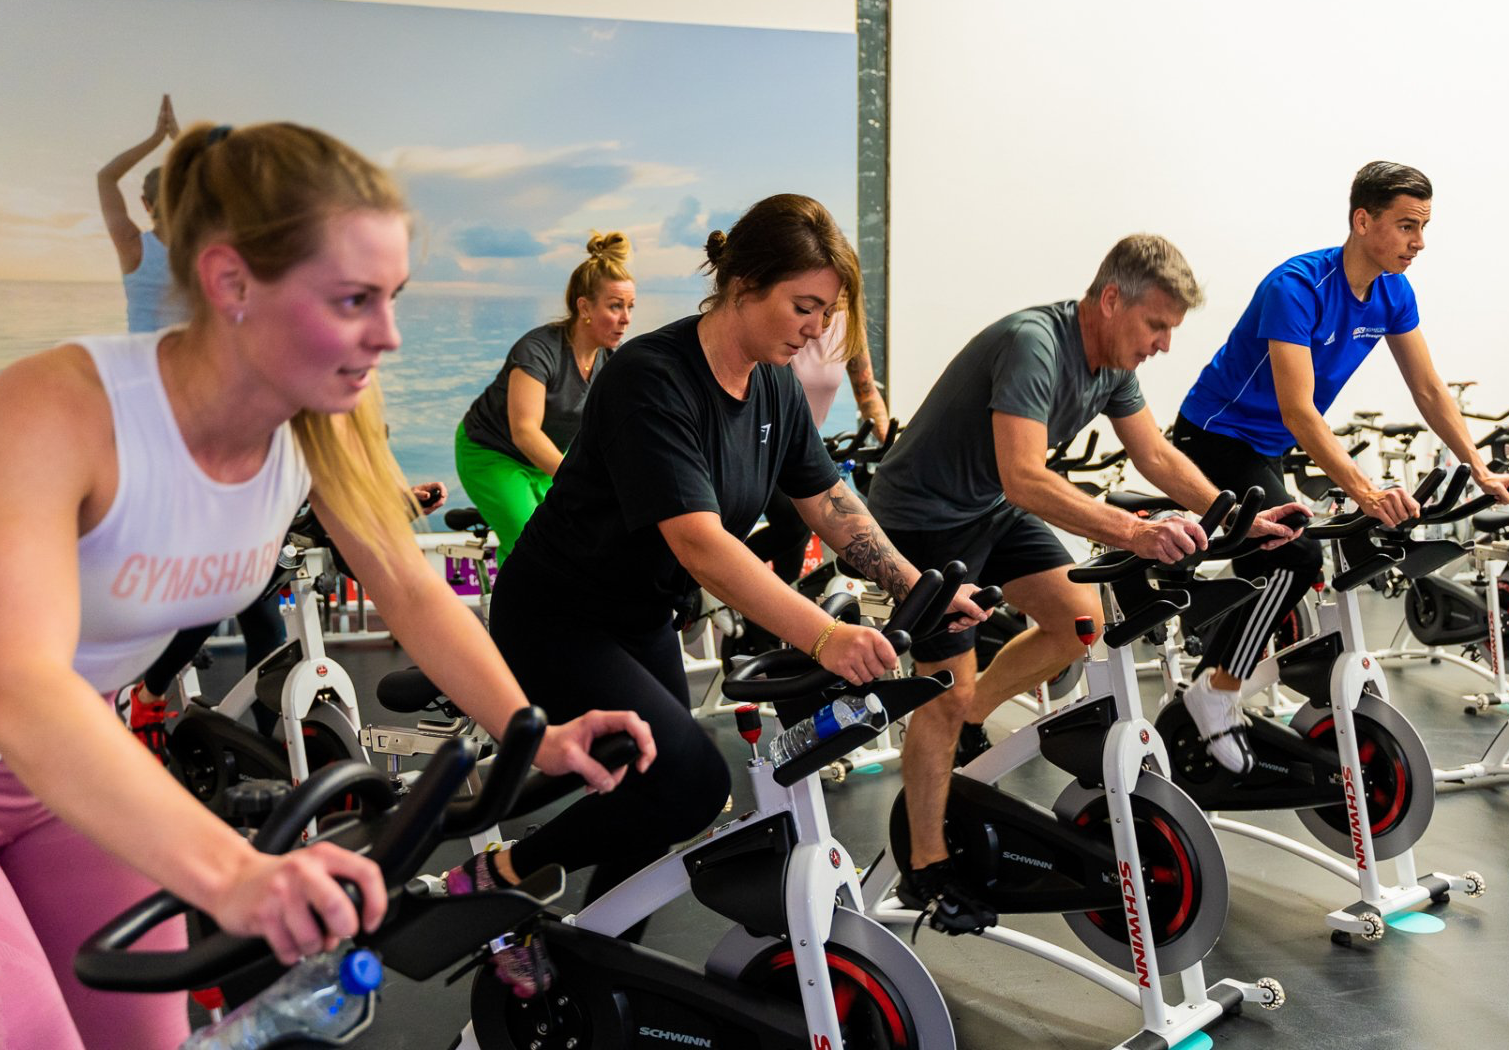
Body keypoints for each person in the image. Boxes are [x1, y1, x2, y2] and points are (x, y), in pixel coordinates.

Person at [0, 121, 652, 1050]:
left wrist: (531, 732)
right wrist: (233, 874)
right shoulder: (60, 410)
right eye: (353, 300)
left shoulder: (321, 421)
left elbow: (409, 588)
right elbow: (20, 685)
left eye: (393, 298)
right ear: (230, 283)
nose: (386, 336)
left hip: (69, 772)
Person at [481, 193, 985, 908]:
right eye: (802, 307)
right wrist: (823, 636)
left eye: (825, 316)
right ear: (743, 286)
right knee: (689, 785)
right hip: (559, 615)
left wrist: (914, 585)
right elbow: (698, 543)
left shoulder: (773, 385)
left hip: (641, 617)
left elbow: (826, 501)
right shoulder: (651, 376)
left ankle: (586, 958)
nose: (813, 334)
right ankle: (502, 874)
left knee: (649, 806)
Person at [866, 234, 1307, 932]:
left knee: (1078, 625)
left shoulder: (1113, 367)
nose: (1161, 344)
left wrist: (1233, 518)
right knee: (941, 696)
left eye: (1170, 329)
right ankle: (926, 867)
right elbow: (1024, 475)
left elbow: (1155, 453)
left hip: (988, 509)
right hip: (923, 522)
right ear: (1110, 300)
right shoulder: (1033, 344)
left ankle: (973, 720)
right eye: (1154, 325)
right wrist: (1131, 532)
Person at [1175, 160, 1509, 767]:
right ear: (1363, 220)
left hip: (1266, 446)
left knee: (1301, 554)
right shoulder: (1296, 286)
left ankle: (1229, 652)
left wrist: (1479, 468)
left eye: (1424, 227)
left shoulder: (1392, 291)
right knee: (1297, 554)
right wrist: (1363, 490)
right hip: (1214, 437)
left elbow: (1429, 391)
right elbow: (1299, 411)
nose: (1419, 242)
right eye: (1407, 226)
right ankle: (1214, 691)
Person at [455, 233, 635, 555]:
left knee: (585, 534)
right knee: (532, 542)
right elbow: (524, 432)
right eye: (615, 306)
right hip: (491, 454)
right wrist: (582, 480)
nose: (626, 319)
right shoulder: (538, 350)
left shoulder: (610, 362)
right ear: (585, 308)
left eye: (629, 307)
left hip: (547, 459)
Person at [747, 297, 891, 582]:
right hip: (762, 442)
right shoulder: (793, 322)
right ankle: (707, 580)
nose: (821, 321)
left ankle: (770, 620)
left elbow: (867, 392)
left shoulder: (848, 324)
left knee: (797, 544)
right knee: (794, 526)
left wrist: (890, 447)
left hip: (801, 446)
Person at [97, 94, 187, 333]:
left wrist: (155, 139)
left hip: (138, 365)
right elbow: (224, 179)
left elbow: (106, 177)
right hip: (189, 366)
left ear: (146, 203)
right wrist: (182, 142)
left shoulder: (132, 246)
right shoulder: (203, 250)